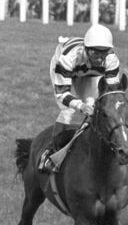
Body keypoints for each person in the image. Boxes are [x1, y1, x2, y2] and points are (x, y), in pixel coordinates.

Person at [37, 23, 122, 172]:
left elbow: (111, 94)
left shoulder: (111, 59)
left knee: (95, 106)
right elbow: (62, 94)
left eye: (104, 53)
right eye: (95, 53)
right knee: (68, 111)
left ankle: (97, 149)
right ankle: (51, 153)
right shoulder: (68, 57)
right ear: (86, 48)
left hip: (89, 76)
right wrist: (80, 106)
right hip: (65, 71)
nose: (100, 58)